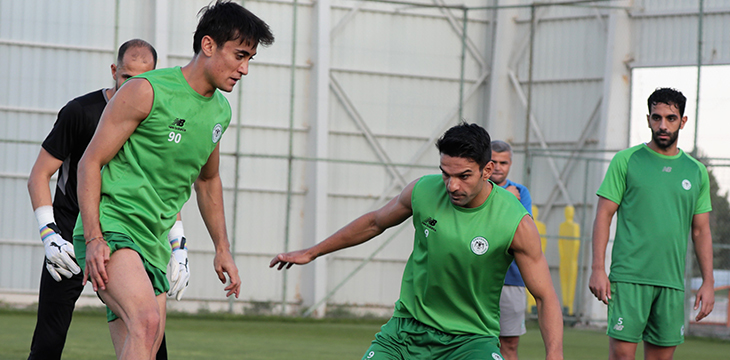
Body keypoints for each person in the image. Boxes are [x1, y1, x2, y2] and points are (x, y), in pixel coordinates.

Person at [72, 2, 274, 359]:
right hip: (113, 226)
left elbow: (208, 182)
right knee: (146, 323)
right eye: (240, 55)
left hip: (154, 242)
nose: (244, 69)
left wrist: (222, 249)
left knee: (146, 347)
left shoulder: (220, 112)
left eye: (250, 60)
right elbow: (90, 162)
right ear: (208, 45)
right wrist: (93, 238)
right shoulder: (146, 90)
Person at [271, 123, 564, 360]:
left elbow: (545, 296)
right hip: (405, 333)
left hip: (470, 341)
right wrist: (311, 252)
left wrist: (554, 354)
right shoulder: (423, 191)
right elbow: (374, 222)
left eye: (463, 176)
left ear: (487, 171)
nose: (452, 186)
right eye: (446, 174)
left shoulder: (515, 221)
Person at [26, 39, 189, 360]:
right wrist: (49, 236)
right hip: (72, 239)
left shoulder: (153, 118)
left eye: (143, 78)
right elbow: (39, 174)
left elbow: (162, 188)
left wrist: (179, 247)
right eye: (127, 76)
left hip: (128, 238)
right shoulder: (80, 112)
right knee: (48, 341)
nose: (134, 85)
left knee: (150, 335)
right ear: (114, 71)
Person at [589, 88, 715, 360]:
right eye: (656, 117)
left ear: (683, 121)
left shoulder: (695, 171)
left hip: (671, 282)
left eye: (670, 118)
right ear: (648, 119)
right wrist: (598, 268)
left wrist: (708, 281)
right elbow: (603, 216)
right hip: (629, 277)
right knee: (622, 356)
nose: (662, 125)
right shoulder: (626, 160)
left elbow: (700, 230)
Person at [490, 140, 532, 360]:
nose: (498, 167)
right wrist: (507, 200)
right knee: (470, 341)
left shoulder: (521, 193)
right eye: (493, 161)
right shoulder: (474, 189)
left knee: (509, 343)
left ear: (510, 164)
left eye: (503, 162)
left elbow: (521, 233)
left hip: (512, 279)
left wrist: (511, 202)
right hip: (476, 278)